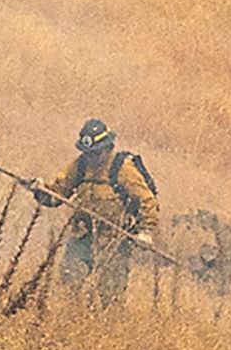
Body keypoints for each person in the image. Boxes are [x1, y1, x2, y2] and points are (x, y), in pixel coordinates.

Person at [41, 118, 161, 303]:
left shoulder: (122, 168)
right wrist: (39, 190)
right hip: (83, 236)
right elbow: (57, 194)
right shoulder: (81, 165)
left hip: (113, 241)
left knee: (110, 295)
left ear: (107, 148)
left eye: (95, 153)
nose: (91, 158)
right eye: (87, 153)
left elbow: (147, 200)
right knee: (68, 281)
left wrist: (146, 231)